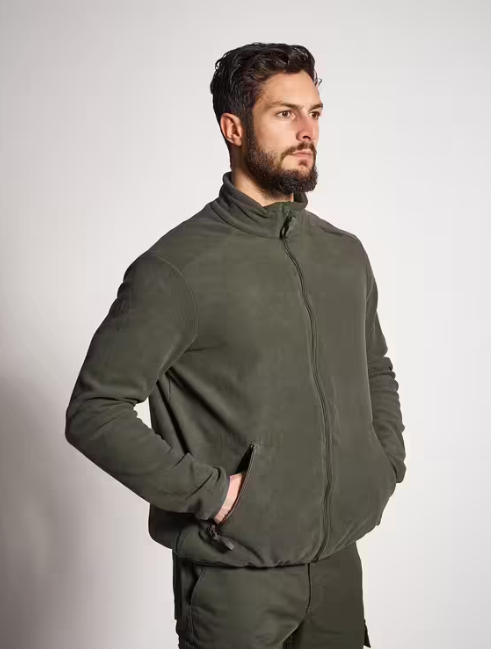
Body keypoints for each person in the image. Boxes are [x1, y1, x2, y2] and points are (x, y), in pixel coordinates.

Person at [65, 42, 406, 649]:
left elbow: (373, 364)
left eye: (314, 113)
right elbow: (95, 411)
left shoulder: (344, 254)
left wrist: (383, 462)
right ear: (234, 128)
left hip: (337, 567)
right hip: (235, 584)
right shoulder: (178, 269)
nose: (306, 131)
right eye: (284, 113)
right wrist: (215, 495)